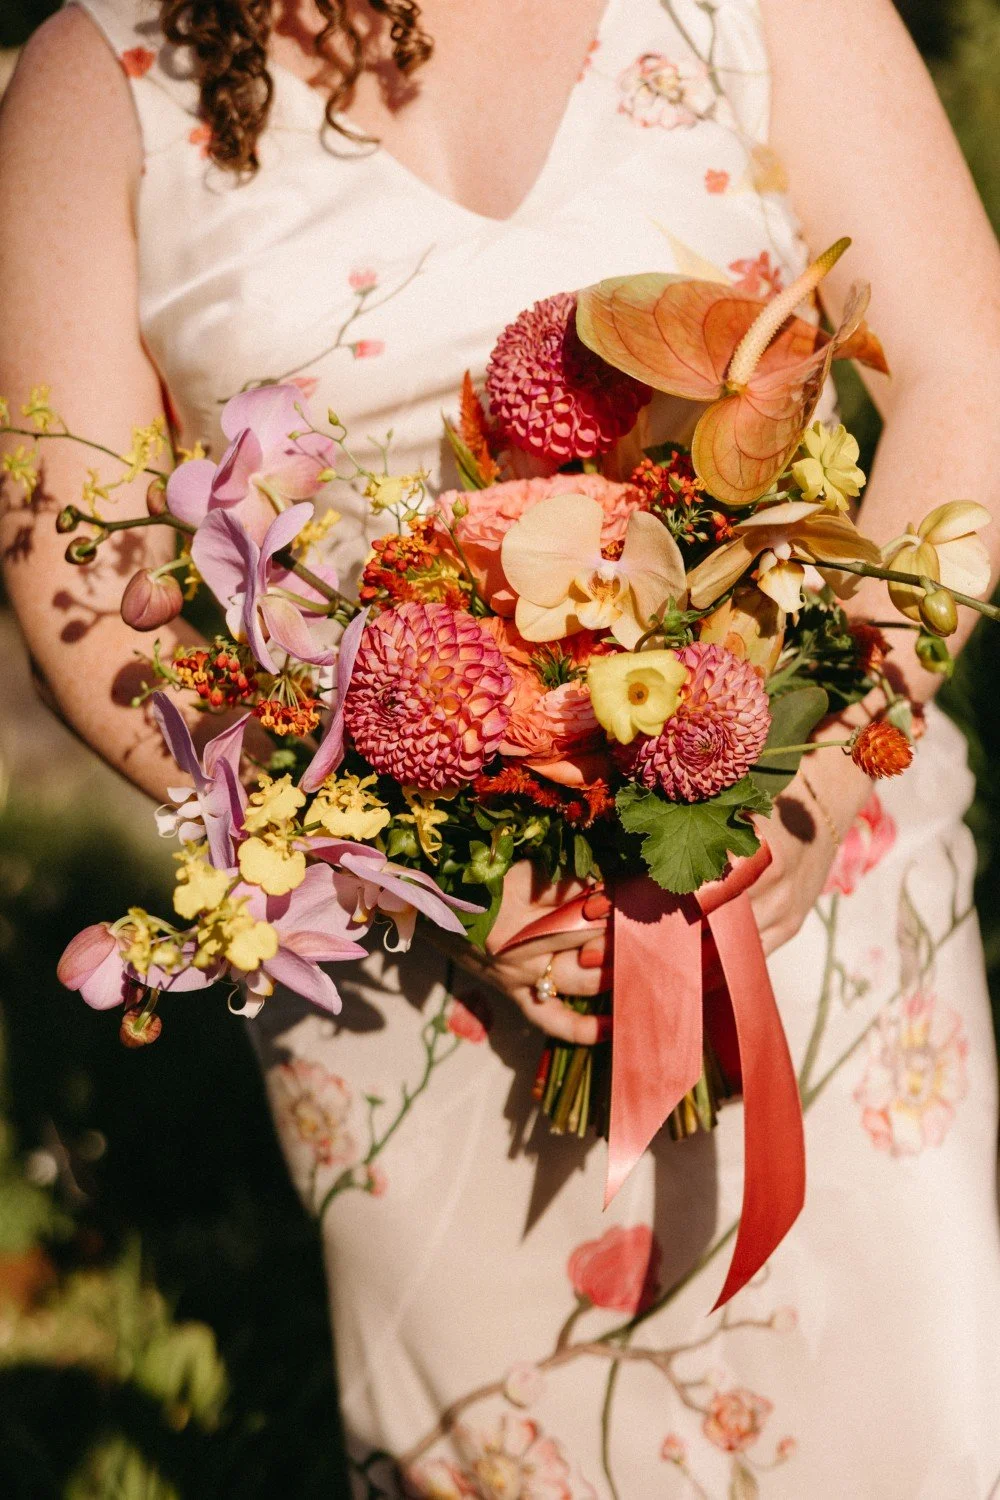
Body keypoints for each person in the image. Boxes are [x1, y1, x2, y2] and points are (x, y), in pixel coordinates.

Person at [2, 0, 999, 1491]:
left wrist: (830, 757)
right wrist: (406, 866)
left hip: (814, 908)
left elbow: (968, 370)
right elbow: (78, 582)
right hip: (404, 968)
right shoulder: (104, 77)